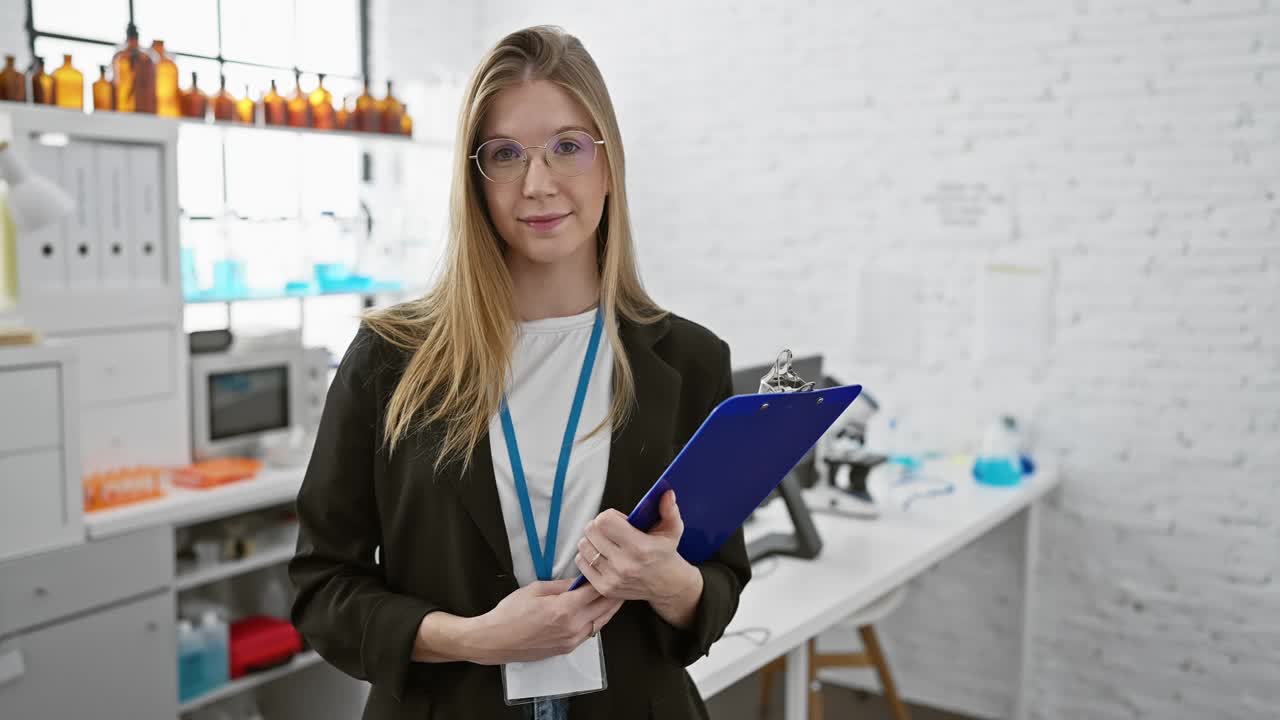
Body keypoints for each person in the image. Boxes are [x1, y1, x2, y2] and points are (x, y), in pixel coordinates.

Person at [289, 25, 750, 720]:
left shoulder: (690, 361)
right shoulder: (389, 359)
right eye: (505, 154)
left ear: (609, 163)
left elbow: (719, 581)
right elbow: (321, 589)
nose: (538, 184)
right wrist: (472, 639)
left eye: (567, 146)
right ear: (475, 178)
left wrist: (670, 582)